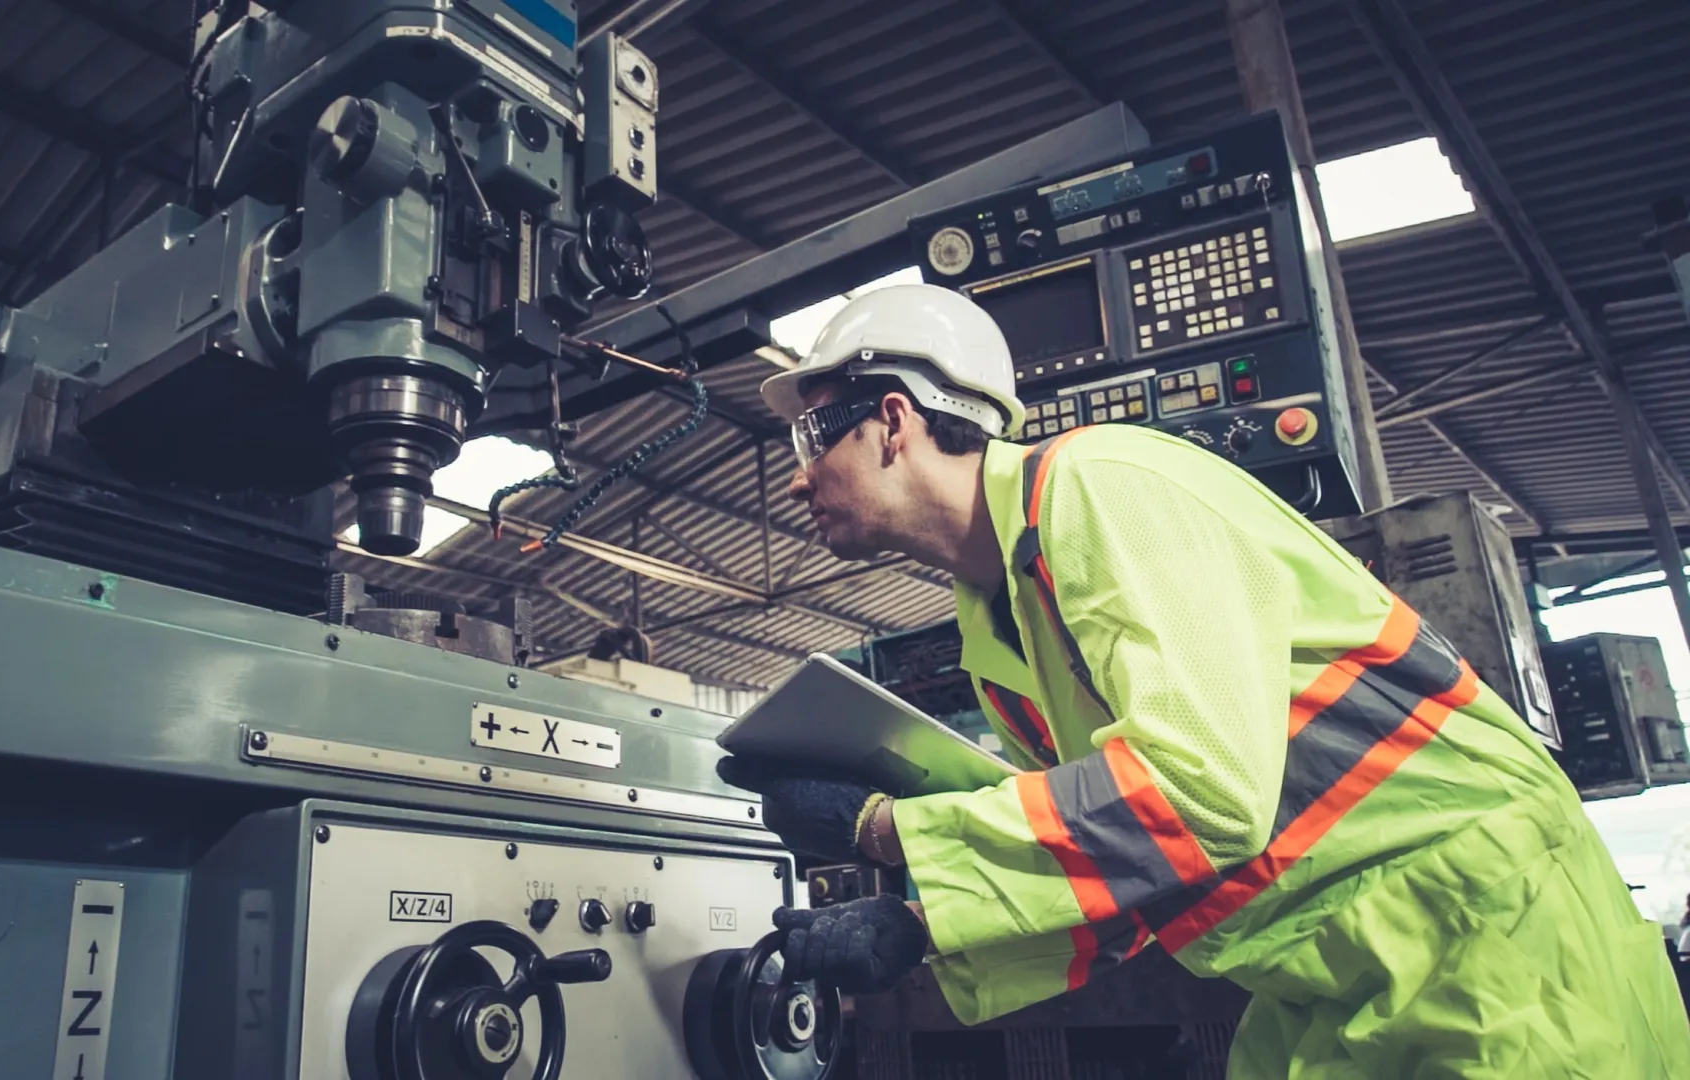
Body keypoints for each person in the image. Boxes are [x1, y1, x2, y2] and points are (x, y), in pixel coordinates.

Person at [715, 283, 1690, 1077]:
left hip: (1488, 935)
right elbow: (1128, 859)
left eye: (811, 437)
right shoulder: (997, 620)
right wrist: (918, 926)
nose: (797, 479)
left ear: (894, 420)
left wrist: (892, 831)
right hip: (1332, 975)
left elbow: (1196, 795)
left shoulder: (1100, 485)